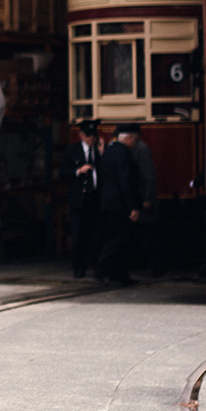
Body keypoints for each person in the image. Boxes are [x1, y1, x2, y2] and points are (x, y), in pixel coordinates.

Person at [96, 127, 142, 286]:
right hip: (120, 203)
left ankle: (119, 275)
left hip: (107, 202)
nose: (135, 144)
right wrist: (133, 207)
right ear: (129, 138)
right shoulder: (124, 154)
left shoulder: (108, 151)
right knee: (119, 239)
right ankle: (104, 270)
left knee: (113, 237)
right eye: (135, 140)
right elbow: (126, 181)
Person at [61, 119, 103, 278]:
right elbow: (63, 172)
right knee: (78, 234)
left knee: (96, 234)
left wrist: (102, 151)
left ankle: (98, 266)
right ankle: (78, 266)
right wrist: (78, 171)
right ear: (81, 135)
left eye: (94, 135)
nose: (91, 138)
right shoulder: (72, 150)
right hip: (79, 199)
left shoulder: (97, 150)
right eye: (88, 135)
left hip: (95, 198)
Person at [124, 123, 158, 272]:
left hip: (144, 199)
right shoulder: (138, 148)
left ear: (132, 137)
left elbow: (149, 176)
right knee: (143, 234)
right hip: (141, 197)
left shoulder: (142, 150)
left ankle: (154, 266)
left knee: (147, 235)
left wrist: (147, 198)